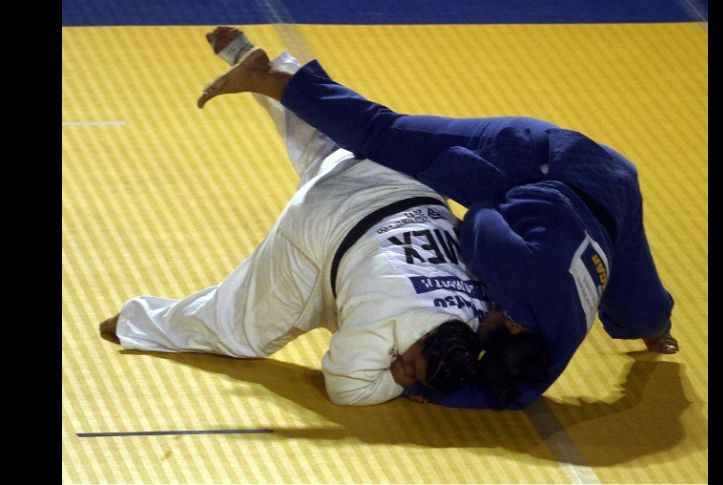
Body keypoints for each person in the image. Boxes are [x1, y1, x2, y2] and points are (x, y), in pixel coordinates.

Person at [195, 33, 679, 409]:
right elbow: (477, 219)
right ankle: (270, 76)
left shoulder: (555, 340)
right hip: (538, 159)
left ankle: (656, 328)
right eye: (487, 322)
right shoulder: (513, 272)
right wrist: (444, 172)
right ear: (509, 325)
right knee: (383, 135)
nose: (478, 317)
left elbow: (517, 397)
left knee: (643, 313)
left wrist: (435, 389)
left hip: (613, 192)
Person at [98, 30, 494, 407]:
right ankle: (137, 322)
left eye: (410, 374)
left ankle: (249, 60)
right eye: (411, 364)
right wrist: (398, 383)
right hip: (324, 228)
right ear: (427, 341)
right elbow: (347, 389)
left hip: (403, 183)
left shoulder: (480, 313)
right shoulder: (382, 324)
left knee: (325, 141)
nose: (403, 369)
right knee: (240, 331)